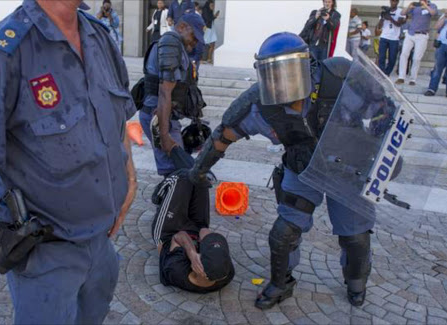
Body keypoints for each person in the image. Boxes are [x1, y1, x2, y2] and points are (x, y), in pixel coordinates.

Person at [0, 1, 138, 324]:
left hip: (102, 245)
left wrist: (128, 176)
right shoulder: (0, 53)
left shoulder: (100, 38)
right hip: (45, 257)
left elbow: (118, 115)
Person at [189, 32, 375, 309]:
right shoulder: (260, 104)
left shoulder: (338, 77)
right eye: (272, 74)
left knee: (355, 237)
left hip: (347, 169)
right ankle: (281, 283)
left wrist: (381, 154)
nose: (280, 82)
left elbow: (384, 110)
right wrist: (198, 171)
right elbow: (223, 136)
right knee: (284, 232)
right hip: (302, 168)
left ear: (306, 65)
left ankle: (356, 282)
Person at [139, 13, 206, 177]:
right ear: (182, 27)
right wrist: (164, 136)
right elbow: (164, 92)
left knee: (178, 172)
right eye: (194, 36)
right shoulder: (170, 42)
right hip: (160, 119)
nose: (195, 42)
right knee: (176, 173)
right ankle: (170, 202)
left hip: (167, 119)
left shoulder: (177, 46)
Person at [152, 170, 234, 293]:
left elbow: (179, 236)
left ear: (199, 269)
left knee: (182, 178)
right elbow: (204, 231)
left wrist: (192, 254)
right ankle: (197, 169)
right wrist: (204, 243)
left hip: (169, 235)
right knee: (200, 178)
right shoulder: (226, 273)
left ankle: (158, 196)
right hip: (197, 229)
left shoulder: (176, 270)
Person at [396, 0, 438, 85]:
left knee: (416, 58)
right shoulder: (415, 5)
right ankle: (401, 77)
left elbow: (433, 13)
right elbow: (402, 13)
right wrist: (409, 6)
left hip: (422, 35)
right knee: (404, 54)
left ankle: (413, 79)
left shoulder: (432, 5)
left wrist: (425, 6)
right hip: (410, 33)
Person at [376, 0, 407, 76]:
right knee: (381, 57)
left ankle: (387, 73)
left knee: (392, 58)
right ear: (390, 2)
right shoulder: (385, 11)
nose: (393, 3)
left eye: (395, 1)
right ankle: (382, 73)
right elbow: (379, 27)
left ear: (398, 2)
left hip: (394, 39)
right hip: (384, 37)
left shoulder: (400, 12)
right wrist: (382, 18)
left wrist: (390, 18)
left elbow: (399, 24)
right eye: (392, 1)